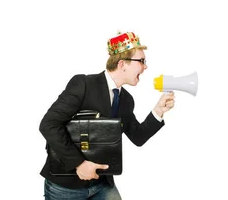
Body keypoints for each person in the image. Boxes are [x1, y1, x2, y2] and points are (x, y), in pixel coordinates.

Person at [39, 31, 175, 200]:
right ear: (122, 64)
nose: (145, 66)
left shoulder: (125, 99)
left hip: (102, 184)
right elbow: (49, 124)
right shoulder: (84, 84)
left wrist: (158, 111)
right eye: (141, 61)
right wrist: (79, 164)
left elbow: (138, 137)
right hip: (66, 185)